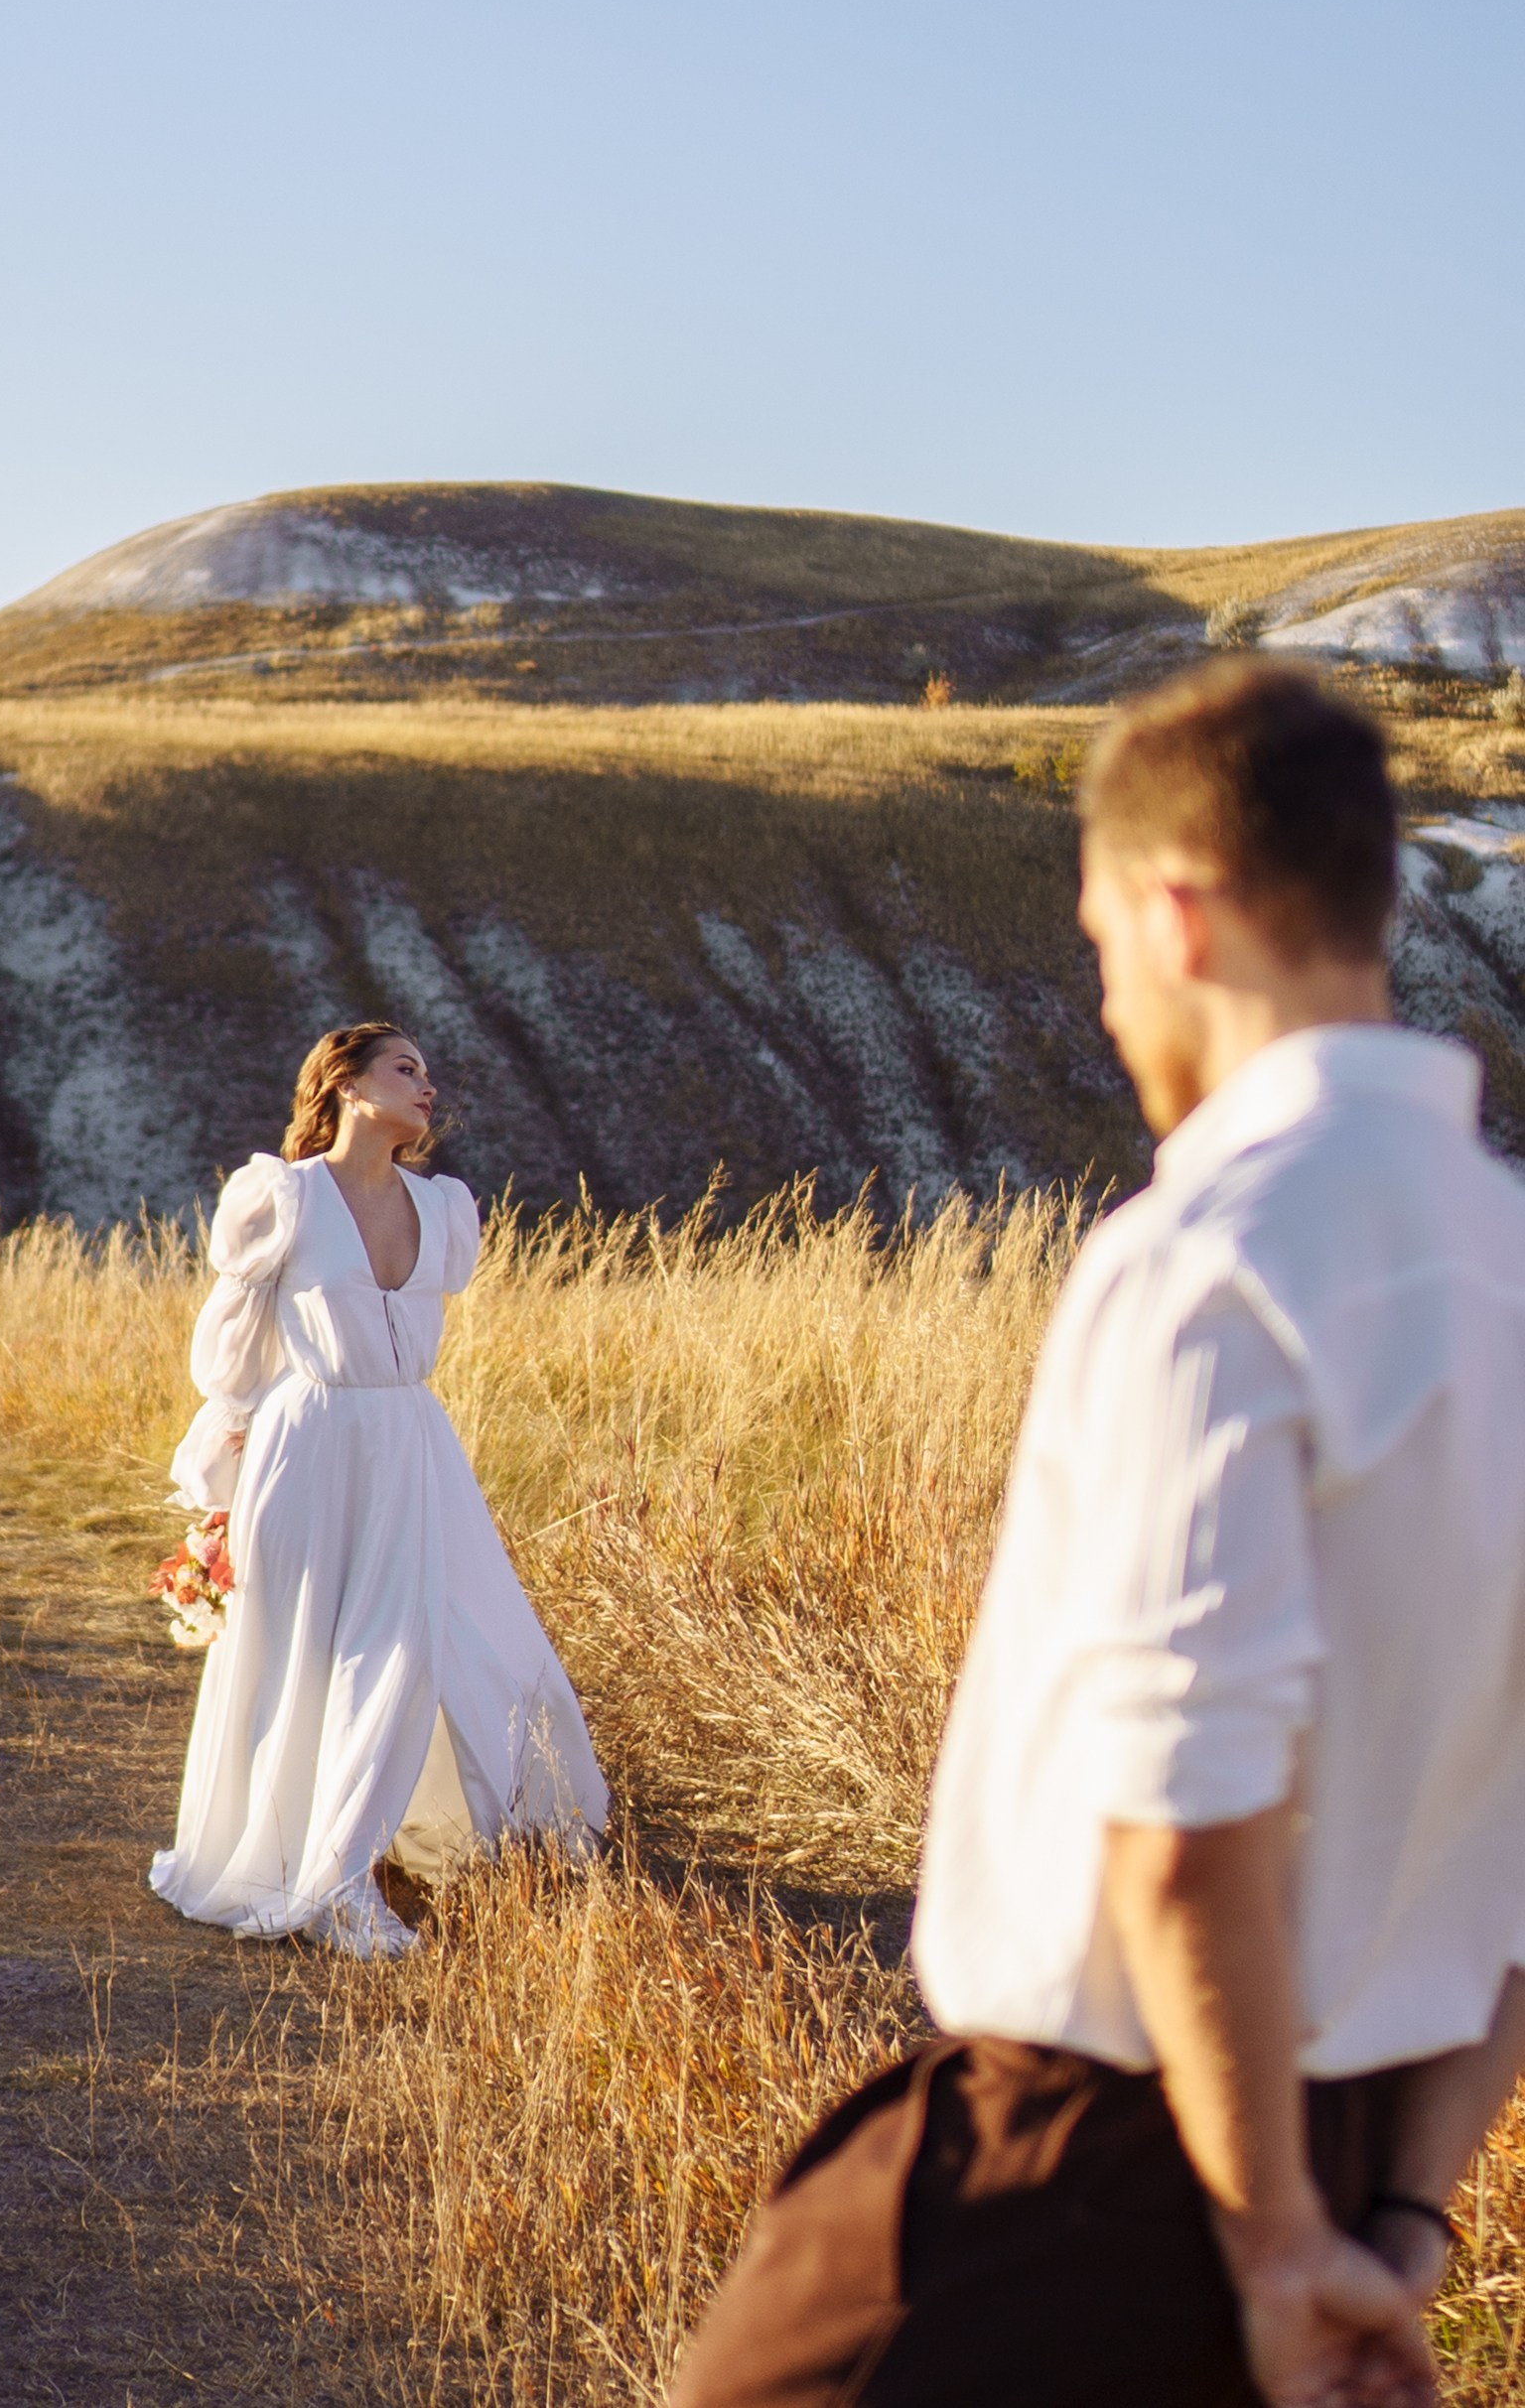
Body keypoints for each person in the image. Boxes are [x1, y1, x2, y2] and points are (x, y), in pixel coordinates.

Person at [672, 658, 1525, 2408]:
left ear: (1176, 912)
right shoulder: (1505, 1260)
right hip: (1361, 2164)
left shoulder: (1209, 1258)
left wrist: (1271, 2246)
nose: (1112, 1003)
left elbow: (1181, 1824)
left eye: (1099, 943)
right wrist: (1385, 2230)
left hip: (1084, 2173)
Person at [149, 1019, 608, 1958]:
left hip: (409, 1444)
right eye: (406, 1068)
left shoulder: (443, 1207)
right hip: (307, 1444)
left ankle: (366, 1863)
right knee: (302, 1654)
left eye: (428, 1072)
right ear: (348, 1085)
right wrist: (223, 1467)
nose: (427, 1084)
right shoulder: (281, 1197)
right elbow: (232, 1354)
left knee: (415, 1645)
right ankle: (318, 1874)